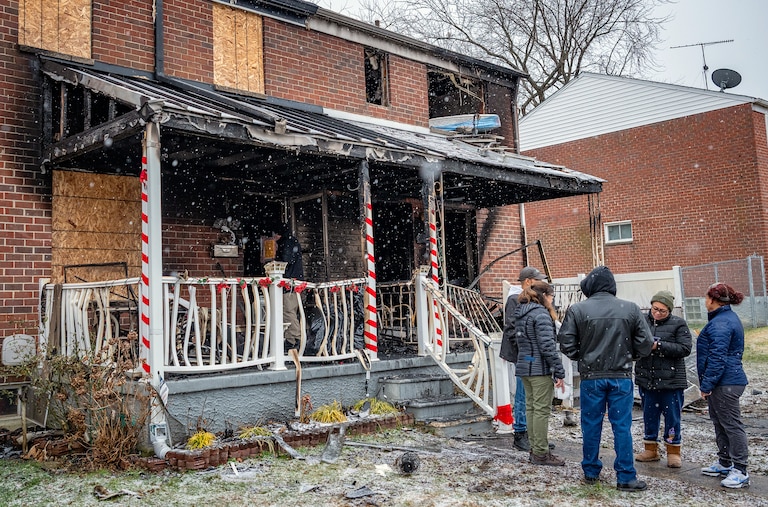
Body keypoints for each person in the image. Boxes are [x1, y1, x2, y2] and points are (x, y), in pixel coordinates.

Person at [558, 266, 654, 492]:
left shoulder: (578, 309)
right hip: (621, 376)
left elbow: (566, 342)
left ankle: (591, 471)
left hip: (592, 377)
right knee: (622, 427)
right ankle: (626, 476)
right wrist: (630, 355)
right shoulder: (630, 309)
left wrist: (584, 355)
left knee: (591, 425)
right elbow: (646, 342)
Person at [697, 282, 750, 489]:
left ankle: (740, 470)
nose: (705, 301)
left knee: (731, 425)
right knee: (721, 423)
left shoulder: (721, 323)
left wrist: (706, 385)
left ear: (713, 300)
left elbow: (717, 358)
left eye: (706, 297)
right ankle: (725, 462)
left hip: (726, 382)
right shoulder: (724, 319)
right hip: (725, 381)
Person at [634, 290, 692, 468]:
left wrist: (658, 346)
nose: (657, 313)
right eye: (654, 309)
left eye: (662, 311)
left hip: (671, 381)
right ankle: (650, 448)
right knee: (649, 415)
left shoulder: (678, 324)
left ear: (669, 311)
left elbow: (684, 348)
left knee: (672, 417)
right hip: (647, 378)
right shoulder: (642, 321)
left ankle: (673, 450)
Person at [514, 280, 566, 465]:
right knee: (541, 411)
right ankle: (541, 453)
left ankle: (535, 448)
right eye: (551, 297)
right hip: (539, 369)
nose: (552, 301)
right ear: (544, 296)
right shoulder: (541, 314)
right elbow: (547, 347)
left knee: (531, 409)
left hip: (525, 367)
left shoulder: (521, 312)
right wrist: (559, 371)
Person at [500, 266, 548, 451]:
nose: (541, 283)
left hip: (529, 353)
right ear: (528, 281)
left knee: (531, 394)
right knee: (523, 393)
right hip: (524, 355)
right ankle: (521, 433)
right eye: (537, 280)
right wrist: (525, 348)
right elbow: (512, 329)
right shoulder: (515, 299)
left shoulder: (527, 299)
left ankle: (534, 436)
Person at [274, 223, 304, 350]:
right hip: (294, 282)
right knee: (290, 311)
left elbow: (286, 261)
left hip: (290, 283)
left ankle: (294, 339)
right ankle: (292, 338)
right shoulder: (292, 241)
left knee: (288, 311)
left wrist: (276, 256)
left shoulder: (286, 243)